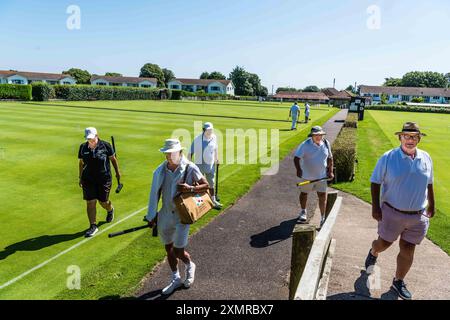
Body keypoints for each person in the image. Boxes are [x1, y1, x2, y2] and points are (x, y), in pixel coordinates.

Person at [365, 122, 434, 300]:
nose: (410, 140)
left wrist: (432, 204)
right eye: (406, 136)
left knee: (408, 249)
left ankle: (398, 280)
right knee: (383, 244)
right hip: (392, 213)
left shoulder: (426, 157)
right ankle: (373, 252)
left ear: (419, 138)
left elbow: (429, 183)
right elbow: (375, 182)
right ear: (400, 137)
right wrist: (375, 207)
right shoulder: (388, 157)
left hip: (418, 215)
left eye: (414, 136)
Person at [146, 139, 210, 295]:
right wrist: (152, 215)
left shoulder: (189, 167)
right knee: (168, 247)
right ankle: (175, 278)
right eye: (166, 153)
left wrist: (191, 188)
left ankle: (189, 265)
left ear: (179, 152)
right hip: (165, 214)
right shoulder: (160, 170)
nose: (168, 156)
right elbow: (156, 193)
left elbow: (206, 184)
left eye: (171, 153)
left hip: (182, 215)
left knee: (178, 250)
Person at [78, 127, 121, 237]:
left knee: (103, 202)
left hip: (104, 179)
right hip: (88, 179)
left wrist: (117, 172)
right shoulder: (83, 147)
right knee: (90, 202)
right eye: (88, 139)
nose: (90, 140)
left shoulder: (106, 146)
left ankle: (110, 209)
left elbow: (113, 159)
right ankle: (93, 226)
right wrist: (80, 177)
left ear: (97, 135)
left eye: (92, 138)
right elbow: (81, 163)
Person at [294, 126, 334, 227]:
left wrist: (330, 171)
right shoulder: (305, 144)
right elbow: (296, 158)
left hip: (321, 177)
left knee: (322, 196)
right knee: (304, 194)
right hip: (307, 176)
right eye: (316, 135)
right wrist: (298, 169)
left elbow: (330, 158)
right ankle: (303, 212)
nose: (318, 136)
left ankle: (322, 217)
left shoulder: (326, 143)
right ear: (312, 135)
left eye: (320, 134)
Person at [188, 122, 222, 209]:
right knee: (199, 184)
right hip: (199, 166)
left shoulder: (214, 137)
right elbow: (190, 152)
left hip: (210, 165)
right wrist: (189, 164)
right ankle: (199, 203)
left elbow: (215, 149)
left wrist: (216, 159)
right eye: (208, 130)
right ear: (204, 130)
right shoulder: (197, 139)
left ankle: (213, 200)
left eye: (211, 129)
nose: (210, 131)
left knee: (211, 183)